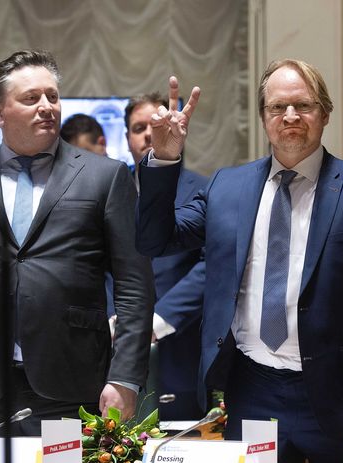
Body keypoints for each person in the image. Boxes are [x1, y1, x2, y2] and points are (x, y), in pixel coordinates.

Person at [135, 59, 343, 463]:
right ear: (264, 117)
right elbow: (156, 240)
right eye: (277, 107)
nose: (290, 117)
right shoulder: (228, 186)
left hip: (340, 397)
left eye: (303, 105)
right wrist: (164, 160)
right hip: (252, 390)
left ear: (326, 113)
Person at [0, 49, 154, 435]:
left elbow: (134, 286)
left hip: (70, 384)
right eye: (31, 98)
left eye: (52, 96)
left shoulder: (104, 177)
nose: (46, 106)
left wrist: (125, 377)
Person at [124, 92, 208, 420]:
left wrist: (159, 320)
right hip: (116, 347)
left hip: (180, 346)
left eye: (156, 124)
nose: (148, 133)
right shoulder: (109, 189)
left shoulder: (205, 188)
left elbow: (211, 263)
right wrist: (115, 320)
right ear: (127, 137)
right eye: (138, 127)